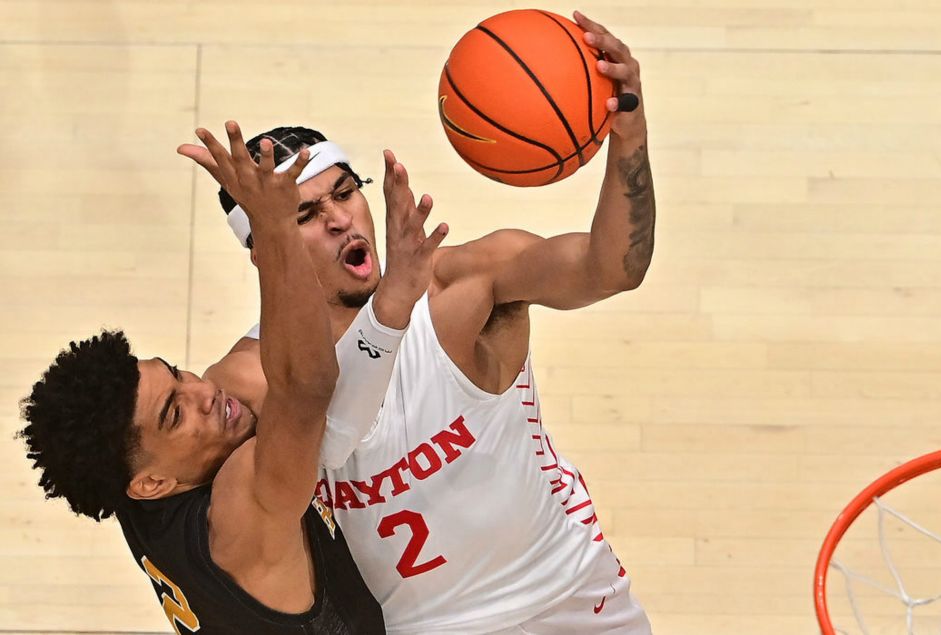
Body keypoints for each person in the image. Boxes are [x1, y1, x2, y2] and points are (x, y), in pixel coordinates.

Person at [185, 11, 655, 634]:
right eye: (303, 215)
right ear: (263, 245)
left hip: (575, 592)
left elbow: (610, 268)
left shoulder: (464, 286)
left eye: (346, 192)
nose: (339, 220)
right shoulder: (246, 382)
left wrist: (628, 135)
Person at [19, 122, 446, 634]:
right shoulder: (240, 517)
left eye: (178, 375)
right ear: (151, 484)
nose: (204, 391)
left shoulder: (132, 474)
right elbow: (308, 389)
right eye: (175, 413)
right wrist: (276, 230)